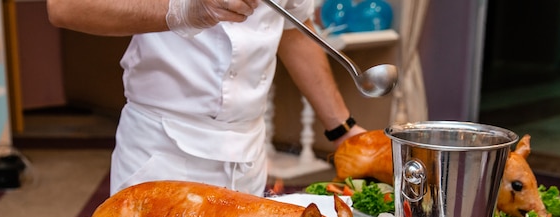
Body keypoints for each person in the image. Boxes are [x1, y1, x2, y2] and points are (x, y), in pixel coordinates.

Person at [47, 0, 365, 196]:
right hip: (162, 148)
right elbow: (66, 6)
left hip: (247, 153)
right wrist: (180, 10)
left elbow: (293, 26)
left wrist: (343, 130)